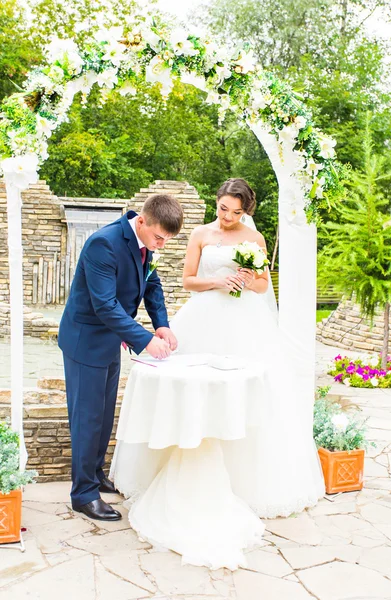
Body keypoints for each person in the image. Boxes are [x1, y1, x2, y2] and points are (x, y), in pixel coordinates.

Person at [111, 178, 324, 566]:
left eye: (236, 213)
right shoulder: (199, 233)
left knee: (249, 392)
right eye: (224, 209)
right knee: (193, 387)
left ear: (247, 212)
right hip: (203, 317)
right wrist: (218, 281)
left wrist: (246, 280)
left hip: (246, 324)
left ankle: (244, 484)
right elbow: (188, 280)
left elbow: (262, 286)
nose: (227, 218)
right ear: (217, 203)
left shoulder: (255, 240)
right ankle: (185, 468)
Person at [58, 194, 183, 521]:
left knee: (102, 415)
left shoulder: (146, 245)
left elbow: (151, 286)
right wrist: (144, 340)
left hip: (111, 340)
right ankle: (83, 494)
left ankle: (95, 474)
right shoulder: (104, 244)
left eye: (168, 241)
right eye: (159, 238)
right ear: (141, 221)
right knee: (87, 418)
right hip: (85, 342)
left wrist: (163, 326)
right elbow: (105, 305)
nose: (162, 245)